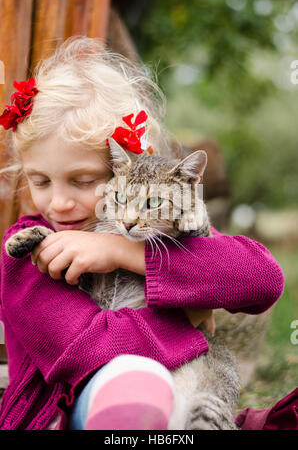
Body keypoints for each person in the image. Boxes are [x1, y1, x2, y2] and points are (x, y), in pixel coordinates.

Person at [0, 36, 285, 430]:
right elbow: (87, 349)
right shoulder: (27, 250)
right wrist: (189, 319)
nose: (60, 202)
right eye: (41, 181)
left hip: (183, 403)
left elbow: (261, 279)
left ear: (129, 173)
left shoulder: (154, 228)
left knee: (211, 378)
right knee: (136, 380)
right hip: (70, 413)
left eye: (83, 181)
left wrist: (123, 252)